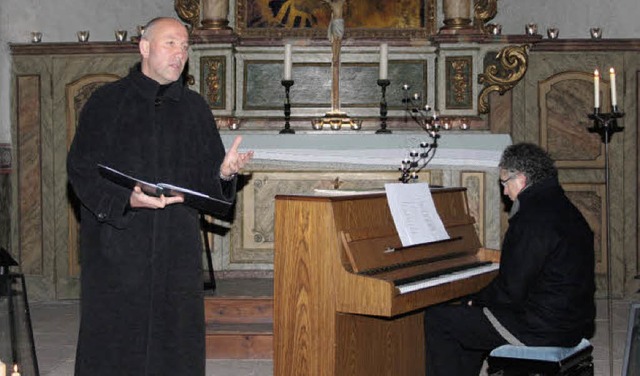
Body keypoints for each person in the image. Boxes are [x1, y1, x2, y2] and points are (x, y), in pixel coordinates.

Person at [67, 17, 253, 375]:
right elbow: (80, 169)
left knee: (175, 344)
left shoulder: (195, 108)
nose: (180, 53)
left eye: (185, 47)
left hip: (175, 248)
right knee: (115, 342)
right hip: (119, 247)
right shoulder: (106, 102)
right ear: (144, 47)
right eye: (171, 43)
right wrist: (126, 199)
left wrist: (223, 173)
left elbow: (205, 182)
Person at [423, 142, 595, 375]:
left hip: (541, 328)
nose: (504, 192)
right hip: (575, 322)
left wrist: (476, 300)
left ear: (521, 179)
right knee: (471, 320)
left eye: (505, 183)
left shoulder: (530, 219)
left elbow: (510, 290)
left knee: (440, 319)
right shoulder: (566, 209)